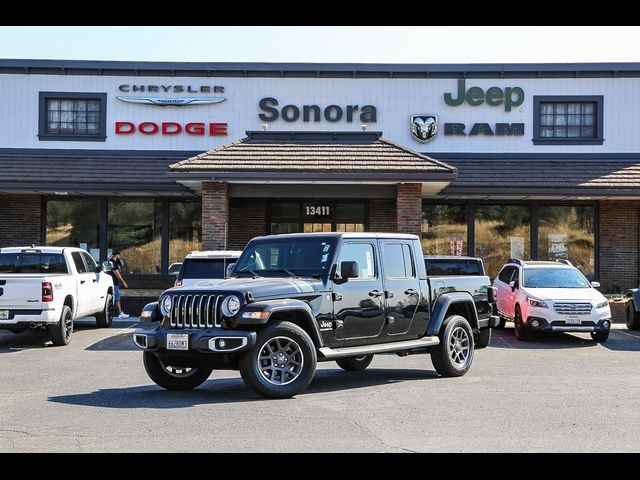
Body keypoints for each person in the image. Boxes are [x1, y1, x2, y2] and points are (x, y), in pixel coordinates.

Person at [108, 250, 129, 319]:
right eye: (119, 255)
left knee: (114, 298)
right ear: (116, 255)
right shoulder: (113, 262)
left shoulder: (111, 261)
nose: (120, 257)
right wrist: (123, 282)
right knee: (117, 298)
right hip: (114, 283)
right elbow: (117, 274)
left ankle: (112, 312)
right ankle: (120, 313)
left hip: (111, 282)